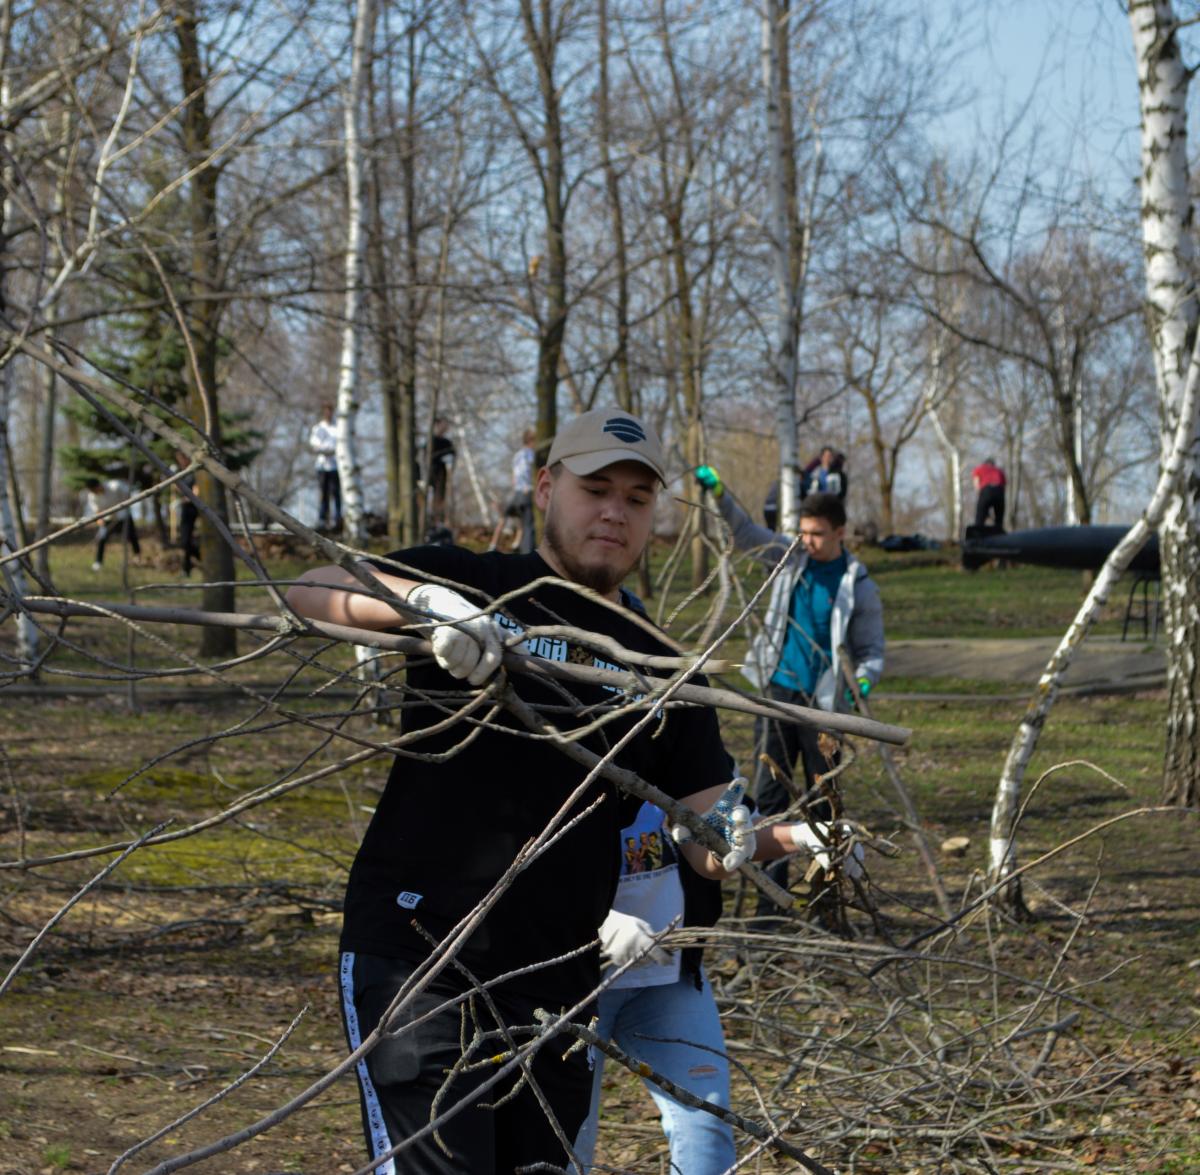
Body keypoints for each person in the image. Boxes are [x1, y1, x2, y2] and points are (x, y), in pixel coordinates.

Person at [287, 408, 825, 1174]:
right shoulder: (473, 581)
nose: (614, 510)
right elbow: (310, 587)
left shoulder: (664, 665)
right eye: (595, 487)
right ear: (547, 487)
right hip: (420, 957)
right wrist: (428, 608)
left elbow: (707, 834)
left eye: (637, 499)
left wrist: (738, 836)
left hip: (560, 989)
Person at [695, 465, 883, 921]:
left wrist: (862, 681)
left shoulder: (857, 585)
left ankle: (824, 906)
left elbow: (871, 648)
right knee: (770, 804)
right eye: (802, 531)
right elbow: (745, 532)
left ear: (840, 533)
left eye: (817, 534)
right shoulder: (787, 557)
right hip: (777, 696)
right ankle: (771, 909)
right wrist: (720, 492)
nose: (807, 540)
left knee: (823, 806)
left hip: (824, 711)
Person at [489, 427, 536, 554]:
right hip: (526, 492)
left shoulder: (517, 455)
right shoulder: (531, 454)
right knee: (528, 525)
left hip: (517, 493)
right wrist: (529, 486)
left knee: (507, 518)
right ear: (532, 440)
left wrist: (518, 488)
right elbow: (528, 472)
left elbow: (514, 477)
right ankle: (527, 553)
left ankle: (496, 544)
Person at [84, 477, 141, 571]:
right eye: (91, 491)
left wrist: (122, 509)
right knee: (101, 538)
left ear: (98, 485)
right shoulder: (92, 496)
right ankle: (98, 562)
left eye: (94, 489)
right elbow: (97, 511)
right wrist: (100, 521)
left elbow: (128, 497)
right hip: (108, 518)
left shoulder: (115, 486)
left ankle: (137, 557)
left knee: (132, 536)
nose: (94, 492)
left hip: (124, 515)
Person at [308, 401, 341, 530]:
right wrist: (326, 450)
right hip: (322, 466)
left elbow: (340, 444)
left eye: (330, 411)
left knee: (336, 493)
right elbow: (315, 445)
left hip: (336, 466)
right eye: (326, 411)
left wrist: (332, 450)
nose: (328, 413)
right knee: (324, 494)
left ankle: (337, 518)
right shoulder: (318, 428)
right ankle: (323, 519)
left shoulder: (337, 427)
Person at [174, 451, 200, 577]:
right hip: (184, 508)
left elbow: (196, 490)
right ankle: (187, 568)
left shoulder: (193, 473)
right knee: (185, 541)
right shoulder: (182, 474)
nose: (180, 461)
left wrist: (189, 498)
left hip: (191, 508)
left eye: (181, 458)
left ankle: (198, 560)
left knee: (186, 541)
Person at [428, 416, 456, 526]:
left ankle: (440, 518)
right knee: (433, 495)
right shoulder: (431, 441)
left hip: (443, 472)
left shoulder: (447, 442)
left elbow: (453, 454)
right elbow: (427, 456)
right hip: (432, 472)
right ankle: (432, 518)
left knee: (441, 495)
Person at [972, 456, 1006, 529]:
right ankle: (998, 529)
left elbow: (976, 482)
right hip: (999, 491)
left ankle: (978, 531)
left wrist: (980, 495)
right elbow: (1004, 486)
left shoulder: (980, 468)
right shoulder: (999, 470)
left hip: (987, 490)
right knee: (999, 517)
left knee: (980, 516)